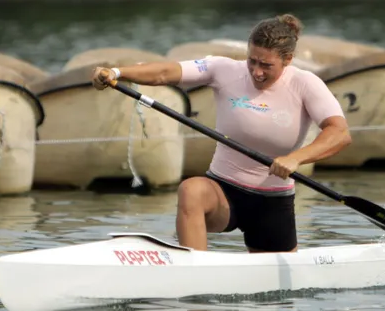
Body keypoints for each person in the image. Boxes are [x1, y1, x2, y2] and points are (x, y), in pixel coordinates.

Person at [91, 13, 351, 253]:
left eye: (266, 65)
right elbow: (164, 72)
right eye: (252, 61)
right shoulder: (224, 69)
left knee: (277, 304)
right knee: (191, 190)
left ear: (287, 60)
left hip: (272, 202)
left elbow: (339, 133)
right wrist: (116, 72)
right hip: (223, 191)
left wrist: (296, 158)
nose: (256, 71)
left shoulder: (305, 83)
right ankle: (194, 272)